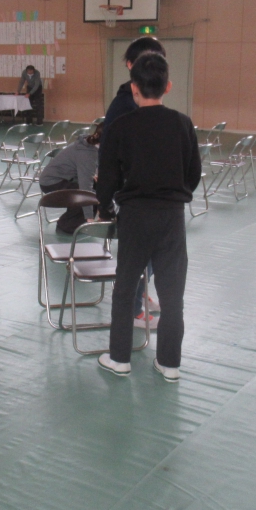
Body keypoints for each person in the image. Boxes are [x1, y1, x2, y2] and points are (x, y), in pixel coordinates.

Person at [95, 52, 202, 383]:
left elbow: (107, 179)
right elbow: (193, 174)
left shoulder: (119, 127)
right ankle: (169, 363)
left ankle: (119, 358)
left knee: (125, 287)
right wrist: (173, 194)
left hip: (135, 217)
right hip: (171, 217)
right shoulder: (183, 124)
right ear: (168, 86)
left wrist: (106, 207)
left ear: (133, 88)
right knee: (172, 294)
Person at [99, 36, 167, 324]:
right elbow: (110, 157)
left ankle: (140, 293)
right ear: (130, 65)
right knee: (140, 252)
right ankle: (133, 307)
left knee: (153, 250)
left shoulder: (150, 105)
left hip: (151, 192)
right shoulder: (125, 105)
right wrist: (106, 200)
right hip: (133, 192)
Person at [39, 128, 100, 234]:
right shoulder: (87, 153)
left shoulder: (88, 144)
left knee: (98, 188)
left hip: (67, 178)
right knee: (87, 196)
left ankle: (81, 222)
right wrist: (89, 217)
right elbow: (85, 188)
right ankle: (67, 226)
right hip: (51, 183)